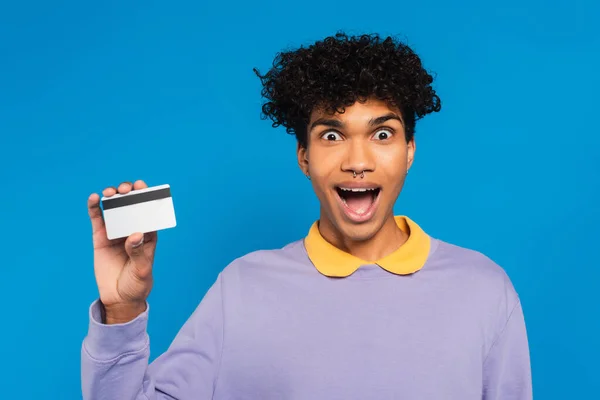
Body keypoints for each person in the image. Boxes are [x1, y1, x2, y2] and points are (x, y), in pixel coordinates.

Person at [81, 32, 532, 399]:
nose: (359, 160)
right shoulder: (242, 289)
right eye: (332, 135)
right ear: (303, 156)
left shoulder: (484, 290)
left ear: (409, 151)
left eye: (382, 133)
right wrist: (122, 311)